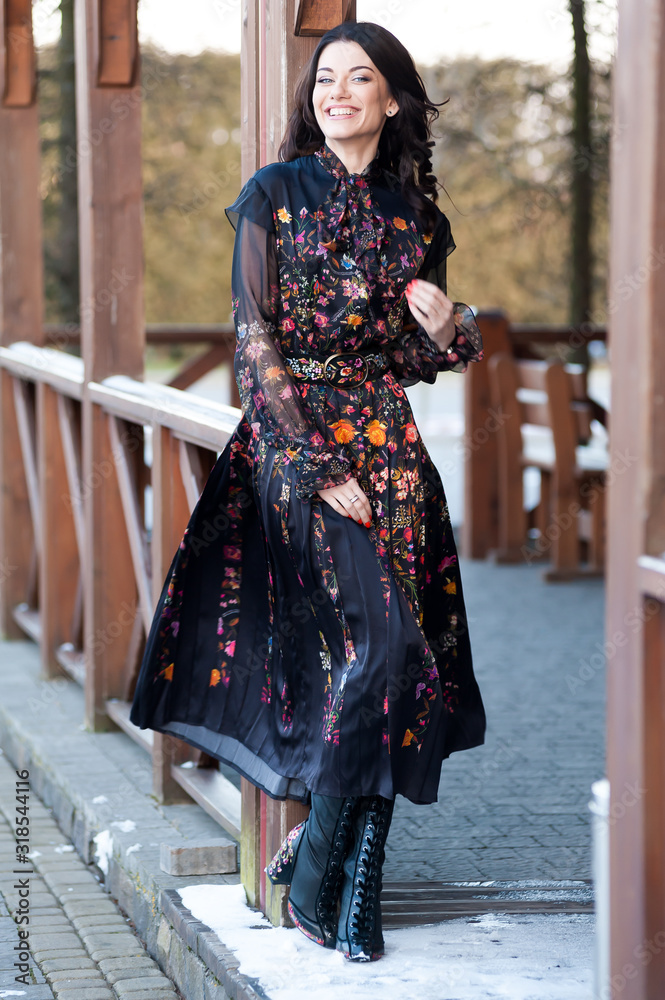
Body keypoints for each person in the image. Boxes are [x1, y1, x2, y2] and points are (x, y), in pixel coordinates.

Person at [130, 19, 486, 962]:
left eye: (358, 79)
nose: (336, 92)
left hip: (394, 453)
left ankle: (337, 877)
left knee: (402, 665)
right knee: (382, 646)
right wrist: (317, 467)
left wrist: (451, 326)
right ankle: (327, 867)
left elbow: (413, 359)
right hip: (303, 456)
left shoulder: (417, 217)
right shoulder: (271, 196)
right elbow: (254, 345)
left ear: (393, 99)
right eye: (324, 78)